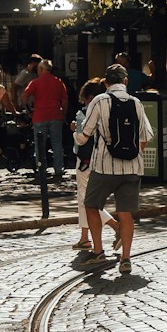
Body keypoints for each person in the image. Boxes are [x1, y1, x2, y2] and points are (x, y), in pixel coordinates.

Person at [75, 63, 153, 275]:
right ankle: (126, 259)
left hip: (104, 167)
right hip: (132, 167)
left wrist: (75, 134)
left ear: (106, 83)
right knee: (125, 214)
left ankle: (98, 251)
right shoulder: (137, 102)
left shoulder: (99, 101)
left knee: (91, 205)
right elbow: (146, 137)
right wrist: (132, 155)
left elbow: (85, 136)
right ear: (126, 82)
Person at [69, 77, 108, 251]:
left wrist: (74, 131)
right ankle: (84, 237)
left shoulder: (83, 114)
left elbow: (81, 140)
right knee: (86, 200)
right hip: (102, 160)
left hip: (85, 162)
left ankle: (115, 226)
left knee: (87, 201)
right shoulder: (107, 110)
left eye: (85, 98)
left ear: (90, 97)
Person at [24, 58, 71, 179]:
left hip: (39, 116)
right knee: (57, 143)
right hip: (55, 115)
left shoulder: (35, 82)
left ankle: (41, 168)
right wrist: (63, 114)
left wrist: (29, 110)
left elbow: (24, 96)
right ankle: (58, 168)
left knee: (40, 145)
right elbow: (65, 100)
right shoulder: (58, 82)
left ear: (40, 69)